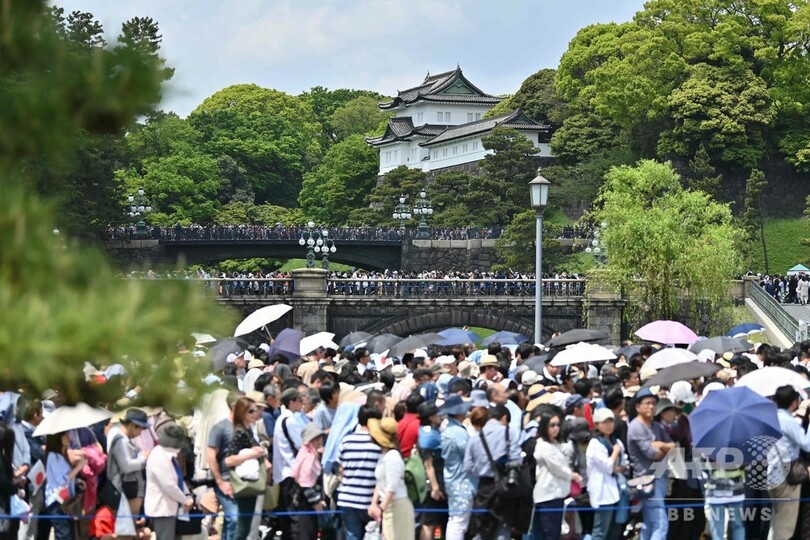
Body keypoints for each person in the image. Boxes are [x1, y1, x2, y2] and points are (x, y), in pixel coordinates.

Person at [463, 404, 523, 540]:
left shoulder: (474, 439)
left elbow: (467, 466)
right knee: (503, 526)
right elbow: (516, 459)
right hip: (506, 485)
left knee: (482, 527)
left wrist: (480, 470)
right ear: (504, 418)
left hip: (484, 487)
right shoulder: (509, 433)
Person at [528, 407, 583, 540]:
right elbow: (557, 467)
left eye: (558, 425)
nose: (555, 428)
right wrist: (573, 476)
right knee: (549, 535)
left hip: (557, 495)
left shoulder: (555, 444)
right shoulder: (542, 445)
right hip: (547, 496)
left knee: (554, 533)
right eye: (552, 425)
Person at [626, 388, 674, 540]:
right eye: (647, 403)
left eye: (653, 403)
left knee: (649, 523)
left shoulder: (656, 426)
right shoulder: (635, 427)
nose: (651, 407)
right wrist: (662, 447)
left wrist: (659, 444)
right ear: (638, 407)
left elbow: (673, 447)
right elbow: (652, 454)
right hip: (646, 480)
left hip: (658, 479)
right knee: (660, 523)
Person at [224, 397, 269, 540]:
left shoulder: (248, 430)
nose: (255, 414)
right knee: (243, 526)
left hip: (251, 483)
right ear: (242, 412)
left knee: (247, 525)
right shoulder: (239, 432)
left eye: (256, 410)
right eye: (251, 411)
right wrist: (252, 453)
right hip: (244, 483)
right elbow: (229, 460)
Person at [336, 405, 383, 540]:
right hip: (370, 501)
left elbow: (341, 470)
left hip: (347, 498)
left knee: (352, 536)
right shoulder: (378, 443)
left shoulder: (346, 441)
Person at [769, 385, 810, 540]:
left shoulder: (771, 418)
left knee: (776, 519)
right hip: (787, 476)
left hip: (770, 473)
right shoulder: (787, 420)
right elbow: (807, 444)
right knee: (785, 524)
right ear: (794, 402)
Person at [144, 425, 194, 540]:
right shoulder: (158, 457)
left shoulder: (170, 456)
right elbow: (168, 485)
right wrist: (185, 500)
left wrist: (187, 496)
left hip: (173, 508)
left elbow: (178, 478)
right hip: (162, 510)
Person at [368, 417, 414, 540]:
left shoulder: (392, 457)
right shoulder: (383, 455)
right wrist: (373, 504)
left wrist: (381, 508)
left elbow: (392, 487)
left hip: (397, 506)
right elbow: (380, 482)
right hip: (388, 506)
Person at [107, 409, 150, 536]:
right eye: (140, 428)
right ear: (132, 425)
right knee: (125, 533)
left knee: (129, 532)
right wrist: (143, 458)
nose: (141, 432)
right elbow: (126, 466)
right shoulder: (121, 441)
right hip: (125, 493)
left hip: (129, 492)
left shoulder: (125, 440)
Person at [586, 408, 627, 540]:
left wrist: (620, 467)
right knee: (600, 531)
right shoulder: (595, 444)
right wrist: (615, 452)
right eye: (604, 422)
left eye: (611, 421)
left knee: (615, 531)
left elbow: (625, 464)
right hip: (602, 491)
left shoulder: (617, 441)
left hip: (618, 490)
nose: (609, 425)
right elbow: (608, 467)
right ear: (597, 424)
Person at [439, 395, 475, 540]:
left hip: (454, 478)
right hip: (462, 481)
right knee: (459, 521)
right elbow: (469, 455)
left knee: (457, 519)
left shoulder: (449, 430)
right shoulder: (458, 433)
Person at [40, 431, 85, 540]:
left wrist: (77, 480)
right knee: (64, 536)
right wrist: (79, 466)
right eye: (65, 435)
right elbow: (62, 480)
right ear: (57, 438)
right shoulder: (53, 456)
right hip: (57, 503)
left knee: (69, 535)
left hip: (65, 502)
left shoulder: (61, 455)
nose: (69, 437)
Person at [207, 391, 238, 540]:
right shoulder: (220, 428)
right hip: (225, 482)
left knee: (231, 521)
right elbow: (211, 456)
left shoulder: (245, 427)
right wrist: (220, 482)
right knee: (235, 518)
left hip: (242, 482)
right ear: (234, 406)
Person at [417, 400, 447, 540]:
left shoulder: (428, 431)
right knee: (428, 523)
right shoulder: (428, 436)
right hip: (433, 483)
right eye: (436, 413)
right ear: (430, 417)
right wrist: (434, 487)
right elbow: (428, 464)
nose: (439, 416)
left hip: (434, 480)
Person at [291, 423, 326, 540]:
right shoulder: (308, 457)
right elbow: (305, 484)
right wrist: (316, 502)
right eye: (315, 439)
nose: (318, 441)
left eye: (319, 437)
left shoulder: (308, 453)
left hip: (307, 502)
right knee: (307, 534)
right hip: (307, 503)